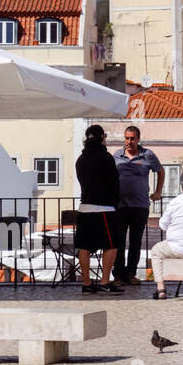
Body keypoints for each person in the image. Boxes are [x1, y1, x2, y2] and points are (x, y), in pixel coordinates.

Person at [74, 125, 125, 294]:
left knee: (84, 247)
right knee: (111, 245)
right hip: (104, 208)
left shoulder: (80, 160)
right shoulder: (105, 157)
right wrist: (115, 201)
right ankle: (104, 281)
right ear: (102, 138)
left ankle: (87, 283)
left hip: (84, 207)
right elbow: (114, 182)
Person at [111, 124, 164, 285]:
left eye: (132, 138)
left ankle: (131, 274)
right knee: (118, 241)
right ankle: (118, 276)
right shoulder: (117, 155)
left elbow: (160, 171)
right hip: (119, 205)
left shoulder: (147, 155)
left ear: (138, 139)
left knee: (135, 241)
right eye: (127, 138)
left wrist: (158, 192)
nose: (129, 141)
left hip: (140, 206)